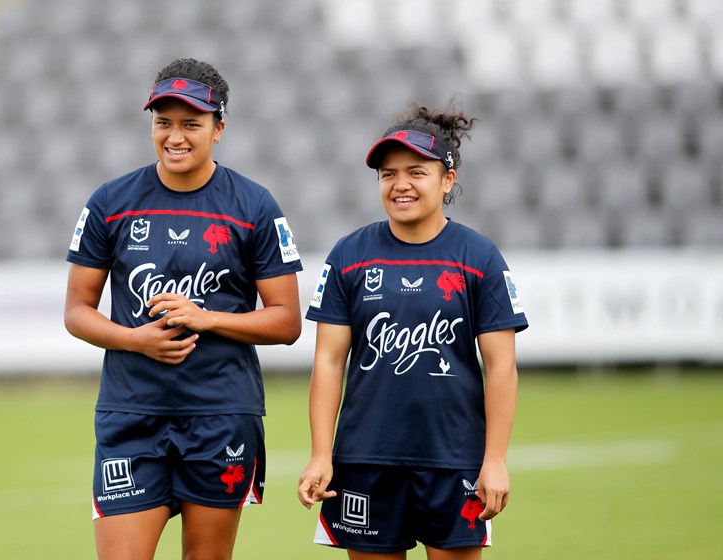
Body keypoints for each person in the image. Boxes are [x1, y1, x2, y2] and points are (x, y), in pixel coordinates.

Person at [64, 57, 302, 560]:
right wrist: (135, 339)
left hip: (221, 414)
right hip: (132, 413)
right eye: (163, 122)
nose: (175, 136)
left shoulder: (253, 205)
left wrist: (206, 317)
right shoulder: (111, 201)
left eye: (191, 123)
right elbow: (77, 311)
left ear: (219, 128)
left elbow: (286, 321)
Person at [297, 104, 528, 559]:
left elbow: (501, 366)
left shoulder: (478, 257)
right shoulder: (350, 254)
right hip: (365, 461)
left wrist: (495, 460)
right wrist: (321, 454)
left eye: (415, 172)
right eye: (388, 174)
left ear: (447, 179)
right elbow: (327, 361)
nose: (400, 184)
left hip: (453, 460)